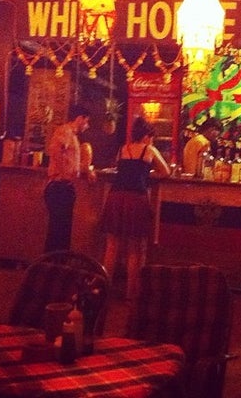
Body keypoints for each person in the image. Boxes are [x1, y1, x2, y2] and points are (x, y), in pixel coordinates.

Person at [101, 116, 170, 300]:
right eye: (151, 136)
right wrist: (146, 174)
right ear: (146, 135)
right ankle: (132, 293)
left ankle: (104, 290)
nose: (151, 140)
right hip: (135, 198)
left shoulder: (123, 149)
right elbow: (166, 171)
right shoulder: (150, 150)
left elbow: (120, 169)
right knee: (135, 248)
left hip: (116, 197)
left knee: (112, 246)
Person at [43, 103, 94, 253]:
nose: (87, 126)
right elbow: (55, 151)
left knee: (62, 230)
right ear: (79, 118)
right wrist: (65, 174)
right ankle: (52, 262)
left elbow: (72, 162)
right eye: (87, 121)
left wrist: (87, 169)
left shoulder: (73, 136)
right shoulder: (65, 131)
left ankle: (57, 261)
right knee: (58, 231)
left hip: (64, 187)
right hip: (59, 187)